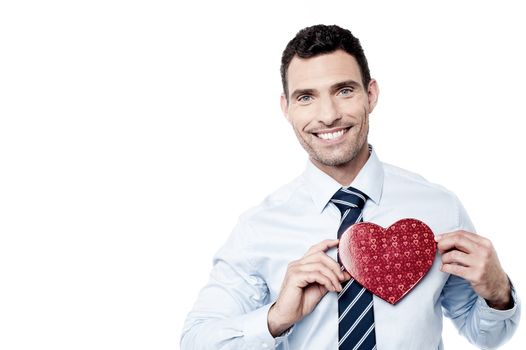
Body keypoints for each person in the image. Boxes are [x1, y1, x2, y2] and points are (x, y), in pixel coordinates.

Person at [180, 24, 520, 349]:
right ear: (286, 108)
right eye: (305, 97)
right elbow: (196, 340)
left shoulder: (439, 207)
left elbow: (485, 336)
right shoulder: (259, 228)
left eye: (344, 91)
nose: (328, 115)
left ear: (370, 95)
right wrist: (277, 317)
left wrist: (498, 292)